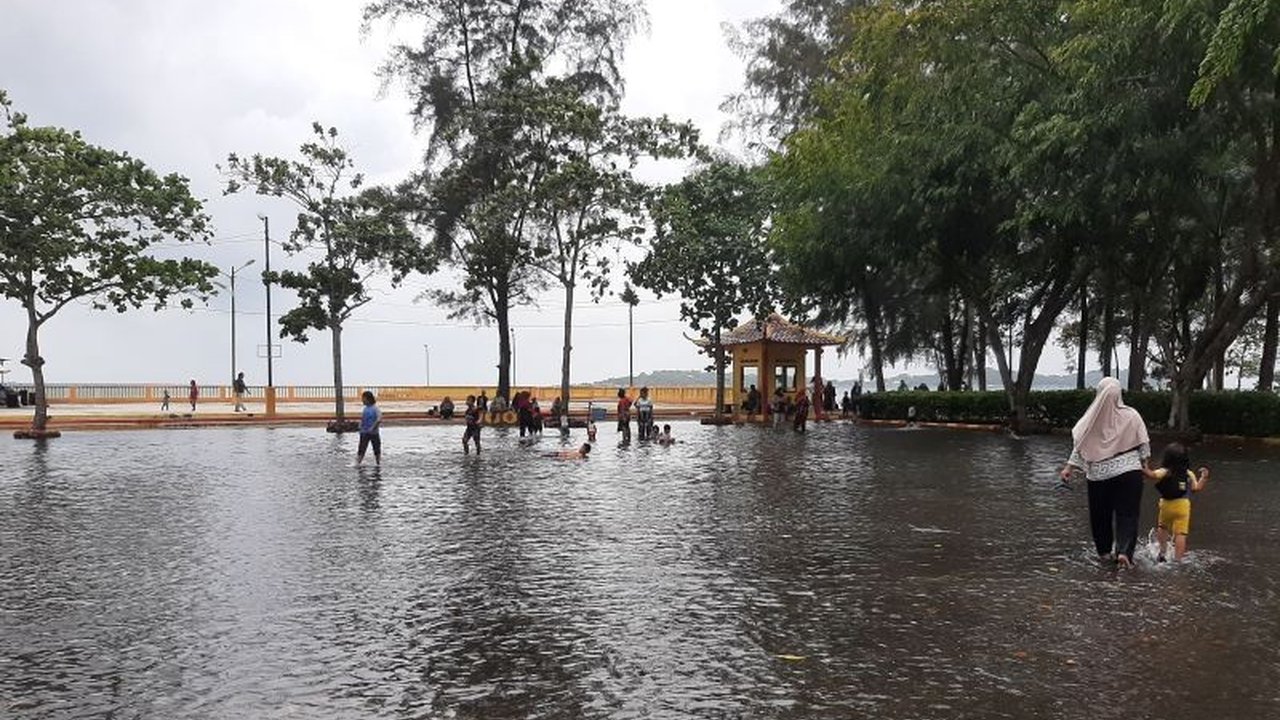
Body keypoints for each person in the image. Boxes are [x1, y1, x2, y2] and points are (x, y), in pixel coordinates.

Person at [1059, 377, 1150, 569]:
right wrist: (1145, 466)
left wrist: (1069, 468)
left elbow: (1080, 446)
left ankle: (1104, 554)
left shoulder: (1091, 419)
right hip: (1129, 472)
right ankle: (1124, 552)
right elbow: (1144, 444)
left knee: (1100, 516)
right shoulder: (1132, 415)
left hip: (1099, 474)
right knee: (1128, 514)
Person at [1143, 443, 1210, 562]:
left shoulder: (1165, 471)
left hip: (1166, 504)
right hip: (1183, 506)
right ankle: (1178, 560)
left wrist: (1144, 466)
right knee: (1181, 534)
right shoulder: (1188, 473)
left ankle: (1162, 552)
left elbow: (1152, 475)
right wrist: (1204, 478)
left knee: (1162, 527)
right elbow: (1196, 488)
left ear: (1166, 458)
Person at [357, 390, 382, 466]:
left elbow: (379, 420)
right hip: (364, 432)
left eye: (363, 398)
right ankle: (358, 463)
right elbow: (363, 419)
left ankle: (378, 463)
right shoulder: (365, 409)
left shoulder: (375, 408)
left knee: (376, 448)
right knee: (361, 449)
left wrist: (373, 427)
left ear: (368, 399)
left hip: (374, 433)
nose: (362, 400)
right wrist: (360, 426)